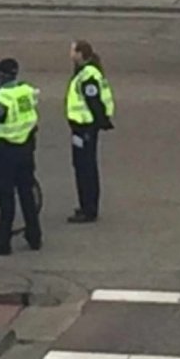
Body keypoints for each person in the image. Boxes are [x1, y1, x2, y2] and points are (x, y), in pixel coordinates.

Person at [0, 58, 42, 256]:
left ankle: (3, 242)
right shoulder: (25, 91)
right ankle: (34, 235)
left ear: (1, 76)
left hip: (5, 153)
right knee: (27, 194)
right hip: (26, 149)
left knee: (6, 200)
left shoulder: (1, 99)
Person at [66, 41, 114, 224]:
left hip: (85, 127)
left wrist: (101, 122)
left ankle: (88, 209)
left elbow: (93, 101)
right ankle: (86, 204)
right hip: (83, 127)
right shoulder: (86, 71)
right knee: (83, 166)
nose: (70, 53)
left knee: (85, 167)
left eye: (72, 50)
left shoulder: (88, 75)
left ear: (80, 53)